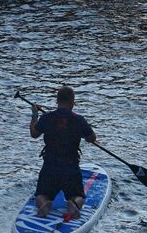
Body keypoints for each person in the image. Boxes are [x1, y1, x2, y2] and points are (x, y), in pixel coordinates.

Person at [29, 86, 97, 218]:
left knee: (41, 194)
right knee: (78, 196)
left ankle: (44, 203)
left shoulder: (47, 117)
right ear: (72, 101)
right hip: (70, 167)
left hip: (50, 166)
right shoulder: (78, 119)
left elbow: (34, 134)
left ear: (57, 101)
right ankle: (74, 204)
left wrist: (35, 114)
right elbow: (91, 138)